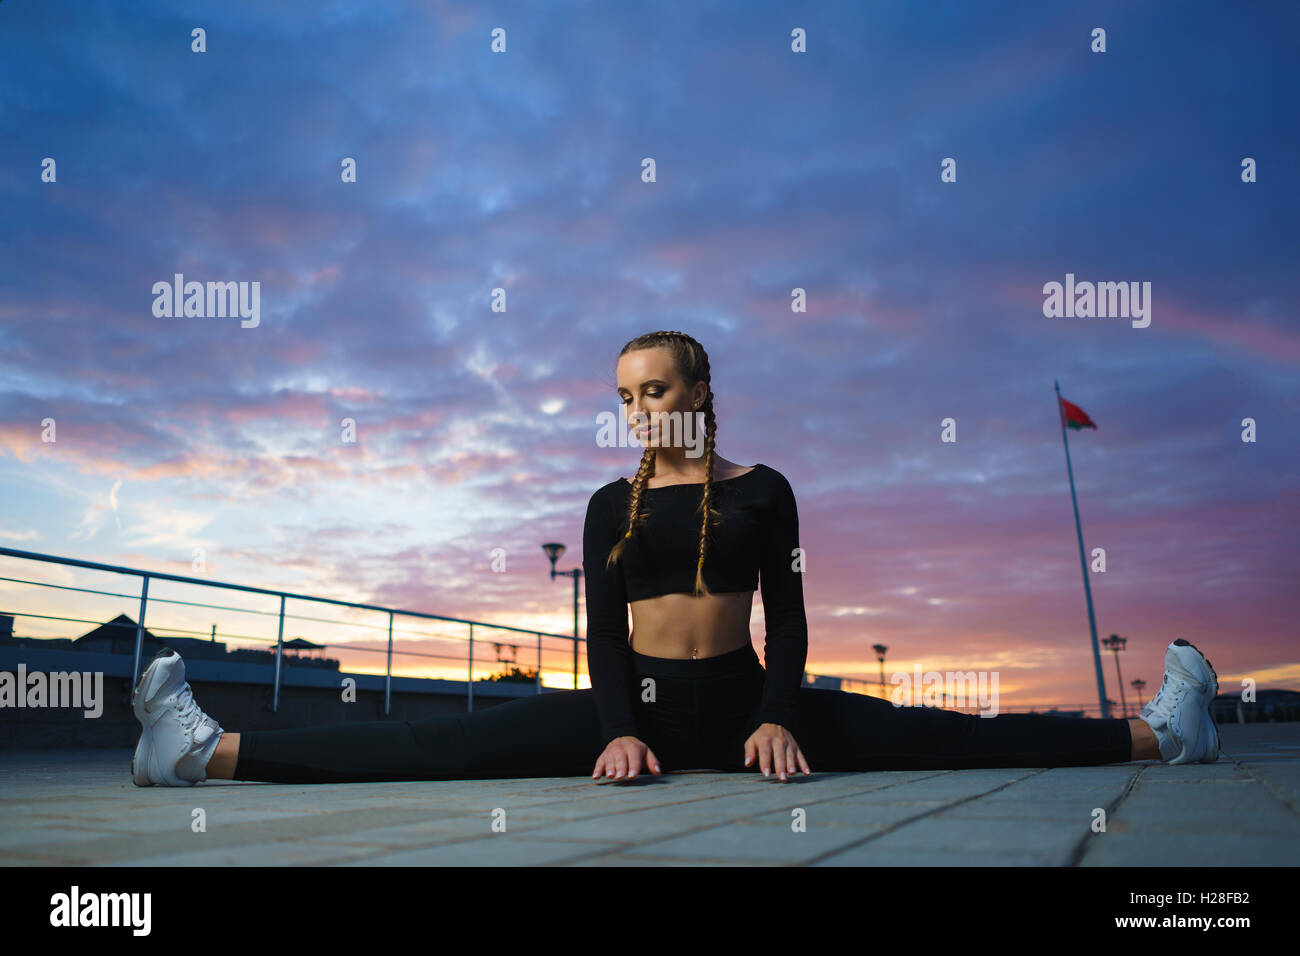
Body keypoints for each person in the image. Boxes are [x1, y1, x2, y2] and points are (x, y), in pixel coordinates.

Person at [129, 330, 1222, 788]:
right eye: (623, 397)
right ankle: (198, 754)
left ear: (697, 392)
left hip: (747, 702)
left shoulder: (765, 489)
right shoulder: (610, 499)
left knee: (940, 733)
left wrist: (780, 712)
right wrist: (611, 726)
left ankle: (1162, 732)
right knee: (437, 742)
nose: (638, 409)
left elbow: (787, 621)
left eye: (654, 390)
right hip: (634, 704)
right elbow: (600, 634)